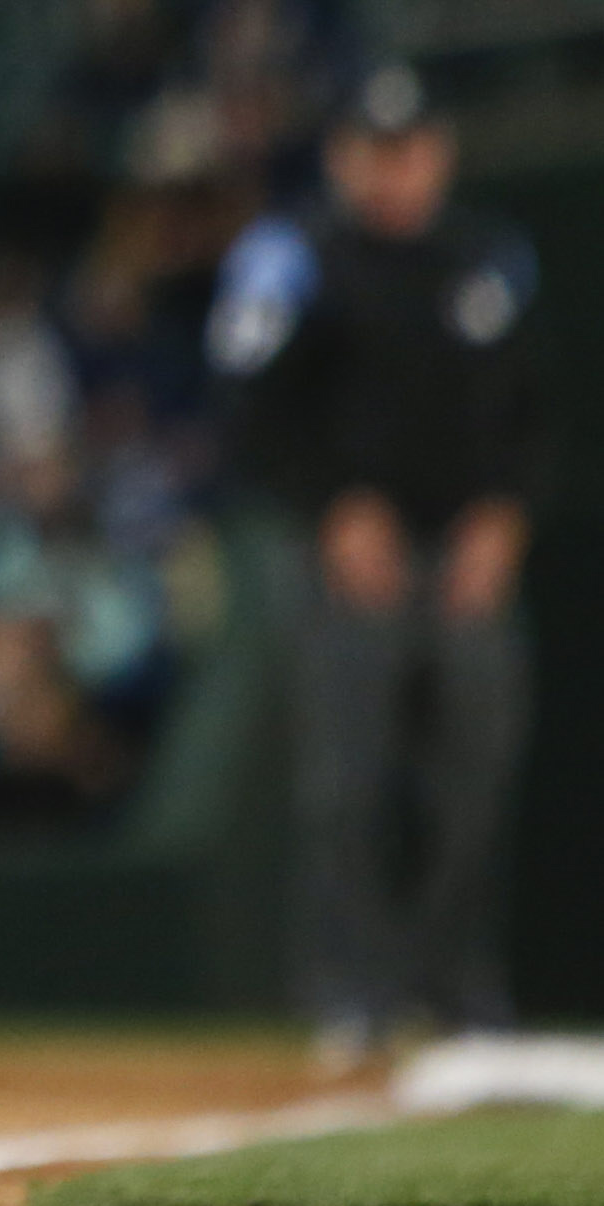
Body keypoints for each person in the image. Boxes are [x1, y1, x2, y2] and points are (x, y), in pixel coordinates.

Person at [209, 63, 546, 1067]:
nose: (392, 169)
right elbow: (247, 408)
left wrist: (505, 516)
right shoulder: (290, 257)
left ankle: (451, 979)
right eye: (371, 149)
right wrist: (331, 508)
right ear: (338, 156)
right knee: (345, 780)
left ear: (438, 152)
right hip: (349, 549)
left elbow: (536, 406)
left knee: (472, 774)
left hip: (467, 549)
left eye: (409, 148)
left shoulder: (490, 259)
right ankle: (349, 988)